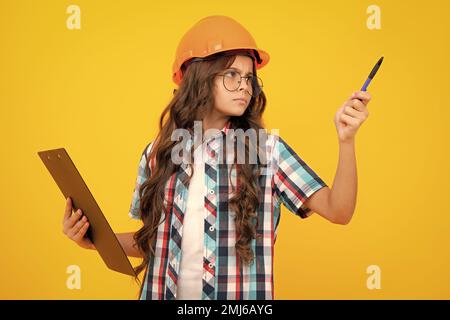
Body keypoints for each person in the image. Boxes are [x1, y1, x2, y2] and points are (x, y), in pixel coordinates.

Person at [62, 15, 371, 300]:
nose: (244, 86)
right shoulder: (157, 154)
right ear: (200, 77)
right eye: (232, 74)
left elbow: (338, 210)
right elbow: (155, 244)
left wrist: (347, 140)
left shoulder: (267, 151)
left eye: (249, 78)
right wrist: (94, 240)